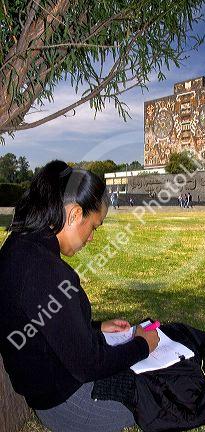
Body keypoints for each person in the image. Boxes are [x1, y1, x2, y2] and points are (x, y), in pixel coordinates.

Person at [0, 160, 159, 432]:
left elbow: (44, 328)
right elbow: (87, 365)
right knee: (157, 389)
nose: (92, 238)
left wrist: (96, 328)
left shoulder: (18, 247)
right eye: (94, 226)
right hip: (72, 405)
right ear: (74, 214)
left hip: (51, 394)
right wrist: (142, 346)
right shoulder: (48, 272)